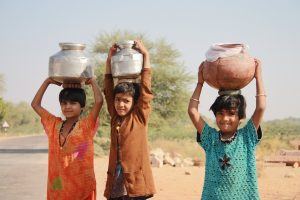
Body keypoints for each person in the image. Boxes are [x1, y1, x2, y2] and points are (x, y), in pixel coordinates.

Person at [188, 59, 266, 199]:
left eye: (231, 114)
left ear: (240, 117)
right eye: (220, 113)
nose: (225, 119)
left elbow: (260, 108)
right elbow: (192, 111)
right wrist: (200, 83)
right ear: (215, 115)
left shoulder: (246, 137)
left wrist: (258, 77)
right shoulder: (210, 139)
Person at [31, 78, 103, 200]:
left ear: (82, 107)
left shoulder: (86, 126)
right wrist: (47, 82)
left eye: (73, 103)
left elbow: (99, 101)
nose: (67, 107)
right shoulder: (53, 124)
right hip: (57, 187)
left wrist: (92, 82)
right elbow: (35, 105)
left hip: (81, 188)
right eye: (64, 103)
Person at [103, 40, 156, 200]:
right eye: (118, 99)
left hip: (137, 182)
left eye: (126, 101)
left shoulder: (139, 116)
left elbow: (145, 91)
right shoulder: (114, 117)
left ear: (134, 103)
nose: (120, 104)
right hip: (117, 180)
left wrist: (145, 55)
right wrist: (109, 61)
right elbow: (107, 90)